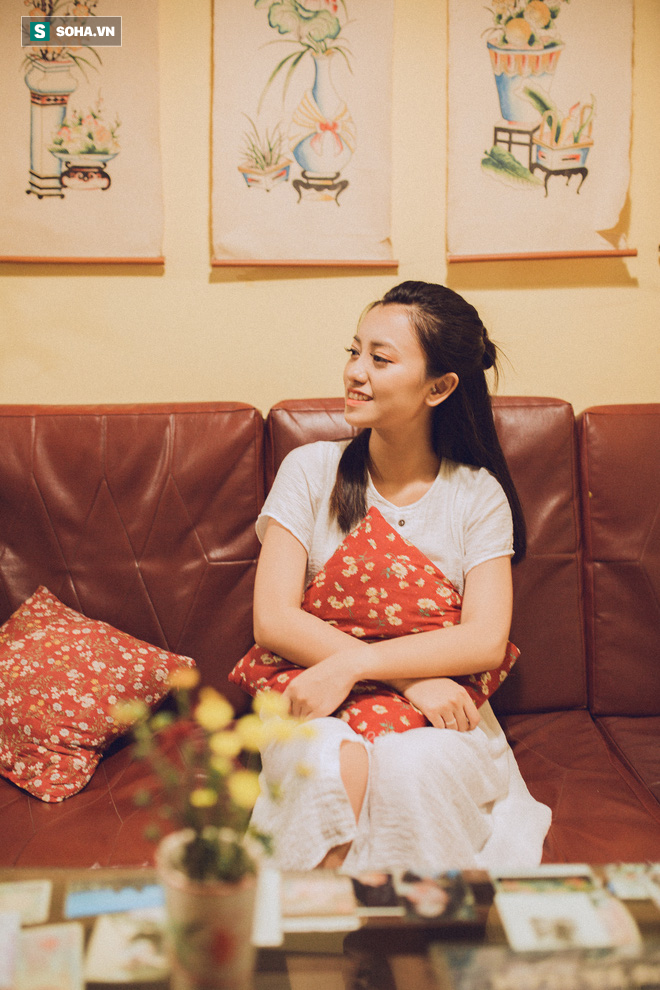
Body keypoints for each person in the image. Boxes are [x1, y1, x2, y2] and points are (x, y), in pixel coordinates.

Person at [249, 280, 551, 873]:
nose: (354, 372)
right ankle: (316, 925)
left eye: (380, 359)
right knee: (326, 765)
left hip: (443, 713)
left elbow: (484, 640)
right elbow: (273, 619)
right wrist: (404, 677)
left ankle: (418, 928)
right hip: (318, 694)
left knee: (412, 770)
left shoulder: (476, 495)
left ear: (439, 387)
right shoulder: (310, 470)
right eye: (353, 351)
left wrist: (361, 666)